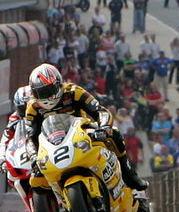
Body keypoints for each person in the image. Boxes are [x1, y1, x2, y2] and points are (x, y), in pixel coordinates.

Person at [22, 62, 148, 190]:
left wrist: (104, 127)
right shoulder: (33, 107)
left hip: (81, 133)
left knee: (114, 134)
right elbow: (30, 136)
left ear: (58, 83)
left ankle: (129, 175)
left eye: (48, 90)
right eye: (40, 93)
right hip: (51, 143)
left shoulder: (73, 91)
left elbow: (100, 111)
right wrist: (33, 156)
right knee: (36, 179)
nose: (46, 96)